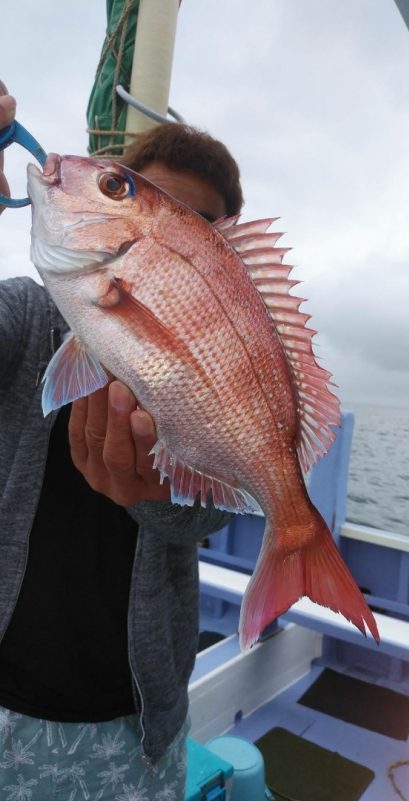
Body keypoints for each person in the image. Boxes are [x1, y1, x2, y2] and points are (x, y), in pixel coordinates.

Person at [0, 82, 243, 800]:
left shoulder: (227, 363)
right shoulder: (27, 314)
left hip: (135, 719)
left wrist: (158, 495)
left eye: (201, 228)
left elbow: (214, 510)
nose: (166, 246)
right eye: (145, 203)